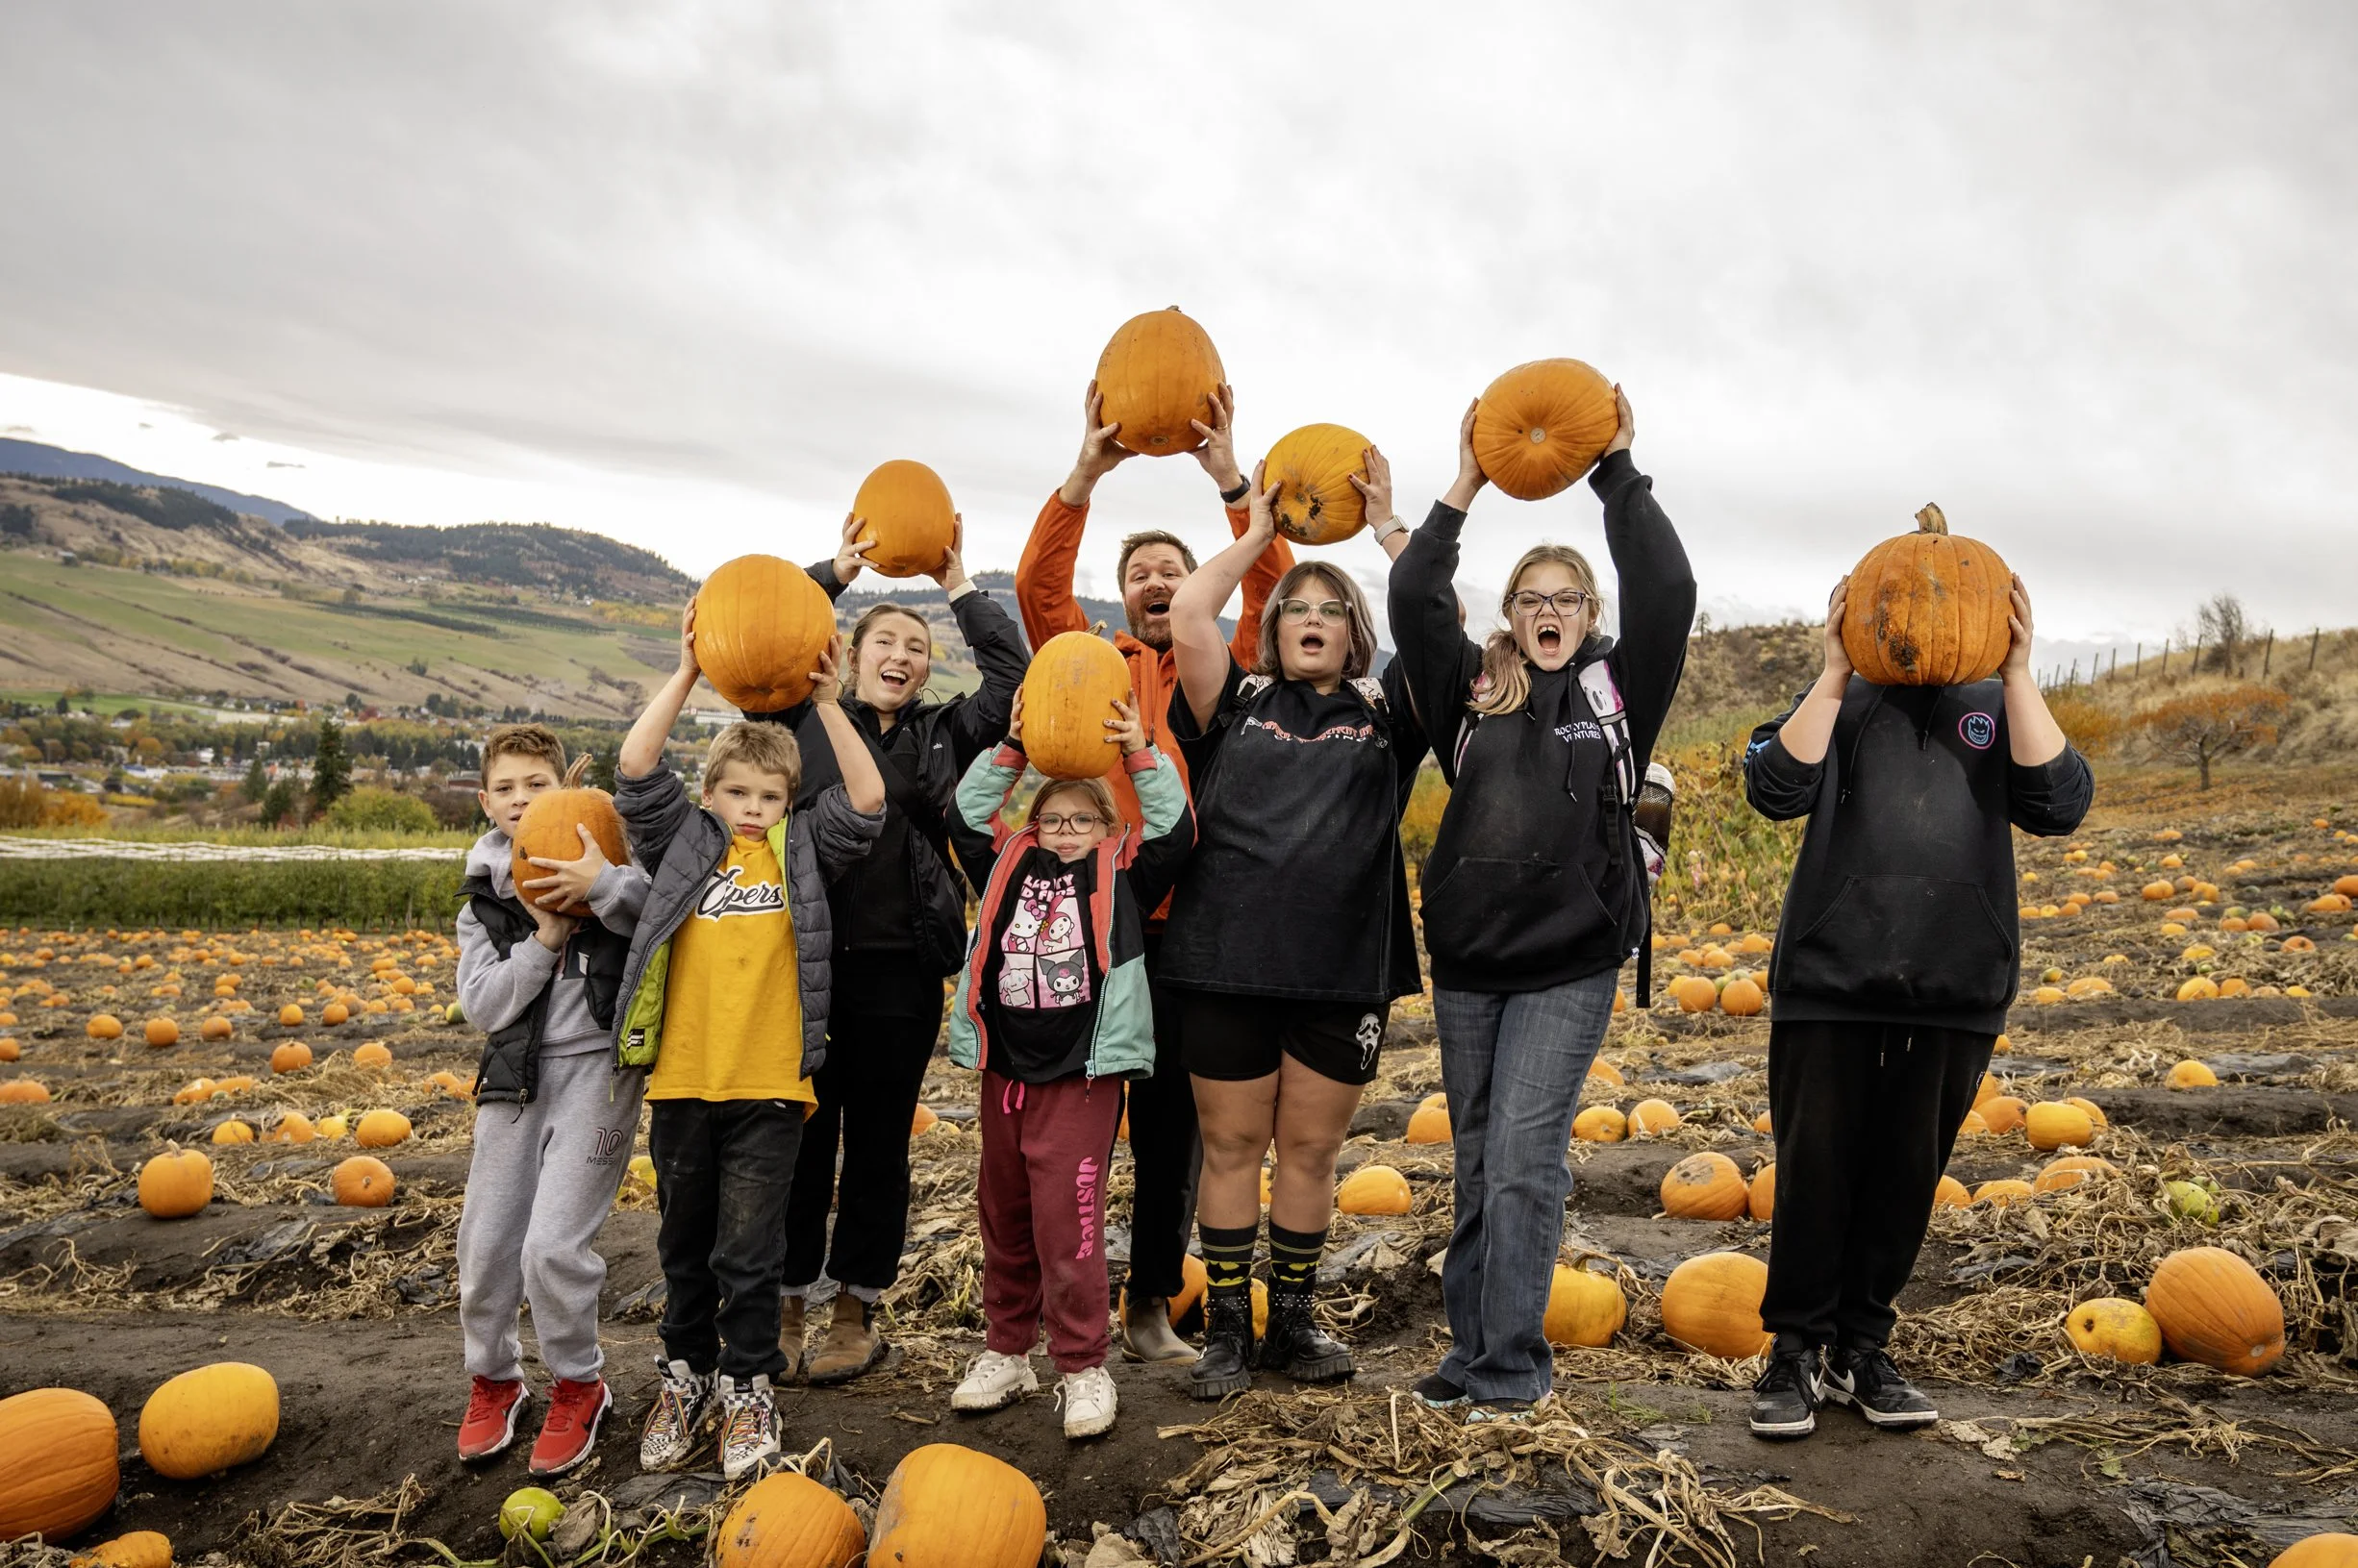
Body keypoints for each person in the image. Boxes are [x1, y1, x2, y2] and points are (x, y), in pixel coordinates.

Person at [1390, 388, 1695, 1422]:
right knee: (1479, 1163)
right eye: (1533, 596)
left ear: (1588, 615)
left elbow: (1670, 583)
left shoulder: (1620, 692)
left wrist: (1613, 465)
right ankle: (1467, 1351)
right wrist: (1466, 481)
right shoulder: (1470, 697)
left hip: (1570, 959)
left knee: (1523, 1155)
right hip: (1473, 959)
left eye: (1568, 594)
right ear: (1511, 616)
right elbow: (1411, 600)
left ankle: (1512, 1367)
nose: (1551, 607)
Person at [1741, 561, 2092, 1439]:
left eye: (1948, 599)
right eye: (1905, 598)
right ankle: (1794, 1349)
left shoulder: (1997, 702)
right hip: (1829, 978)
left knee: (1907, 1173)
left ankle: (1864, 1346)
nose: (1925, 613)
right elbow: (1774, 788)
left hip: (1956, 980)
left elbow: (2061, 803)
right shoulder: (1836, 697)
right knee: (1815, 1166)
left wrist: (2015, 672)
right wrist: (1832, 668)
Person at [1014, 379, 1295, 1362]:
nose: (1158, 579)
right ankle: (1066, 1307)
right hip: (1105, 916)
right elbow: (1038, 596)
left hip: (1203, 926)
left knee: (1173, 1129)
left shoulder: (1231, 665)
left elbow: (1274, 592)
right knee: (1073, 1122)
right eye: (1140, 570)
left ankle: (1146, 1304)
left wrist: (1230, 482)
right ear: (1124, 595)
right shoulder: (1096, 666)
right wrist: (1085, 473)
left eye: (1175, 567)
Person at [1159, 453, 1428, 1400]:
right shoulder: (1230, 702)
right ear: (1273, 631)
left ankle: (1296, 1317)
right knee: (1231, 1148)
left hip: (1341, 971)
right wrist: (1261, 535)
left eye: (1331, 611)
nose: (1312, 620)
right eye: (1296, 609)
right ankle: (1229, 1327)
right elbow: (1190, 613)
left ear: (1355, 636)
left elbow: (1437, 629)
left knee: (1311, 1152)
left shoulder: (1388, 715)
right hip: (1226, 963)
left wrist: (1390, 528)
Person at [615, 607, 886, 1480]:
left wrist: (832, 703)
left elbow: (870, 800)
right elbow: (634, 767)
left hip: (771, 1085)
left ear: (788, 804)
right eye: (739, 793)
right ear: (712, 793)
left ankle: (748, 1387)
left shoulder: (801, 851)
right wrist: (690, 672)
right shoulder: (685, 841)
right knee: (683, 1244)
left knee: (751, 1249)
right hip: (685, 1081)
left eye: (770, 797)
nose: (753, 808)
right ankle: (685, 1376)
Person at [765, 516, 1028, 1384]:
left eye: (918, 647)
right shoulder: (795, 720)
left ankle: (855, 1310)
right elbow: (762, 634)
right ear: (848, 650)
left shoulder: (945, 734)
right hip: (801, 967)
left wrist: (958, 584)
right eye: (887, 639)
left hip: (901, 971)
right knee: (802, 1141)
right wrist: (831, 574)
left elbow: (1014, 676)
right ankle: (789, 1302)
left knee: (879, 1144)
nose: (904, 656)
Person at [942, 689, 1194, 1437]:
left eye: (1083, 819)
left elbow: (1177, 829)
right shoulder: (1006, 865)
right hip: (1007, 1068)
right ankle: (1006, 1351)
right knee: (1006, 1215)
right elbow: (962, 815)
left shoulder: (1123, 872)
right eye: (1053, 817)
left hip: (1081, 1074)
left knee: (1069, 1223)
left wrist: (1134, 751)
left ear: (1107, 828)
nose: (1065, 830)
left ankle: (1084, 1365)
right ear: (1032, 822)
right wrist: (1015, 748)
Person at [452, 725, 652, 1475]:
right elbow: (484, 1005)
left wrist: (600, 886)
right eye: (505, 787)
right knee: (486, 1243)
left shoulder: (609, 849)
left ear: (560, 787)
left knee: (554, 1245)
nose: (520, 799)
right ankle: (495, 1379)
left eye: (535, 784)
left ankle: (578, 1382)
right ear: (485, 799)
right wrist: (542, 939)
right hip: (514, 1078)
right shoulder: (482, 900)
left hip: (601, 1074)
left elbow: (660, 916)